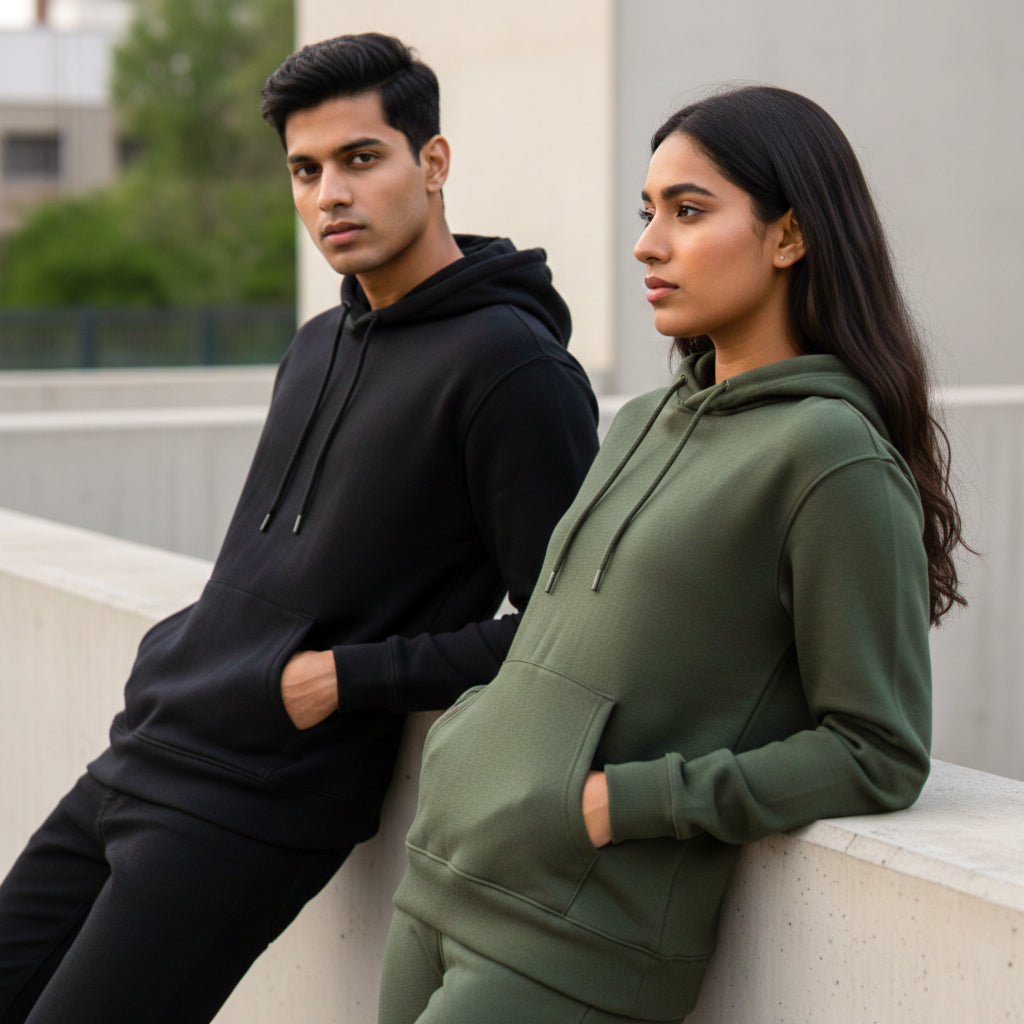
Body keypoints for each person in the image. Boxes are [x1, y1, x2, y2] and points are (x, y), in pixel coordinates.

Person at [0, 32, 599, 1024]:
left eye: (361, 158)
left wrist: (339, 679)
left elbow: (569, 632)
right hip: (144, 749)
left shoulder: (513, 370)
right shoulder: (318, 342)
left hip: (250, 805)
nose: (330, 194)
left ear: (433, 162)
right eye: (306, 169)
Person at [378, 85, 968, 1024]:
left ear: (789, 236)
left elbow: (878, 752)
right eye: (647, 212)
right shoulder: (642, 421)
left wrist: (625, 801)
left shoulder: (830, 455)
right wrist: (472, 745)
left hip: (573, 940)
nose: (649, 245)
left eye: (688, 212)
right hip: (444, 875)